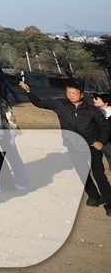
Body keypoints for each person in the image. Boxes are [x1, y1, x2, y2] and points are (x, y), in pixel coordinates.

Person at [20, 77, 110, 214]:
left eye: (74, 93)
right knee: (83, 173)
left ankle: (109, 203)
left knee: (99, 175)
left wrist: (101, 141)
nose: (71, 96)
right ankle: (93, 196)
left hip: (92, 147)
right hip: (73, 147)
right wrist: (29, 92)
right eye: (69, 93)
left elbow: (104, 128)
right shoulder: (60, 105)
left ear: (81, 94)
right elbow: (39, 103)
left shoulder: (92, 110)